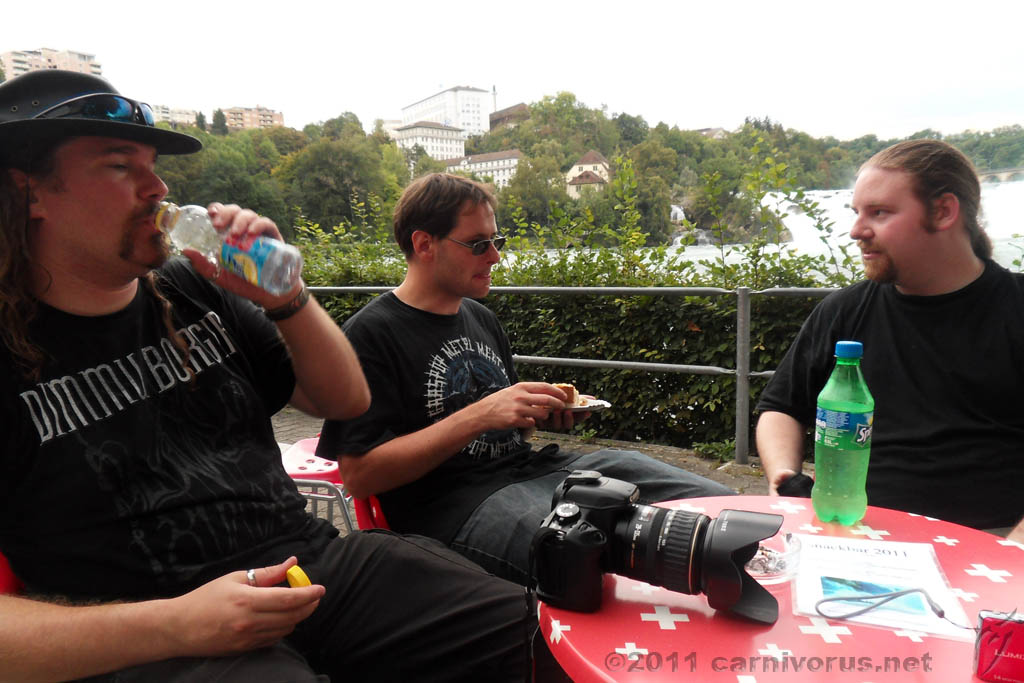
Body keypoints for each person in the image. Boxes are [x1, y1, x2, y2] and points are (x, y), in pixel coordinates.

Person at [0, 70, 552, 682]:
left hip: (307, 568)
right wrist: (174, 624)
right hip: (151, 633)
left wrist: (287, 299)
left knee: (543, 642)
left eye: (152, 166)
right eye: (118, 166)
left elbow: (344, 399)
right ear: (29, 193)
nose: (157, 188)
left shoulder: (193, 290)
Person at [316, 172, 735, 585]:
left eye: (495, 241)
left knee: (716, 504)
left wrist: (539, 414)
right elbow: (360, 475)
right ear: (424, 244)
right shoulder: (370, 335)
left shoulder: (481, 318)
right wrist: (479, 415)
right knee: (598, 559)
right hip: (455, 505)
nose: (495, 257)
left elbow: (505, 434)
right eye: (478, 244)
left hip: (538, 470)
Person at [756, 139, 1024, 541]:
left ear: (943, 211)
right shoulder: (843, 311)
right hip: (856, 533)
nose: (856, 231)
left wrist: (1012, 552)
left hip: (993, 541)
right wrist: (784, 475)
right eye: (857, 213)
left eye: (879, 213)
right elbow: (780, 408)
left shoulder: (1016, 309)